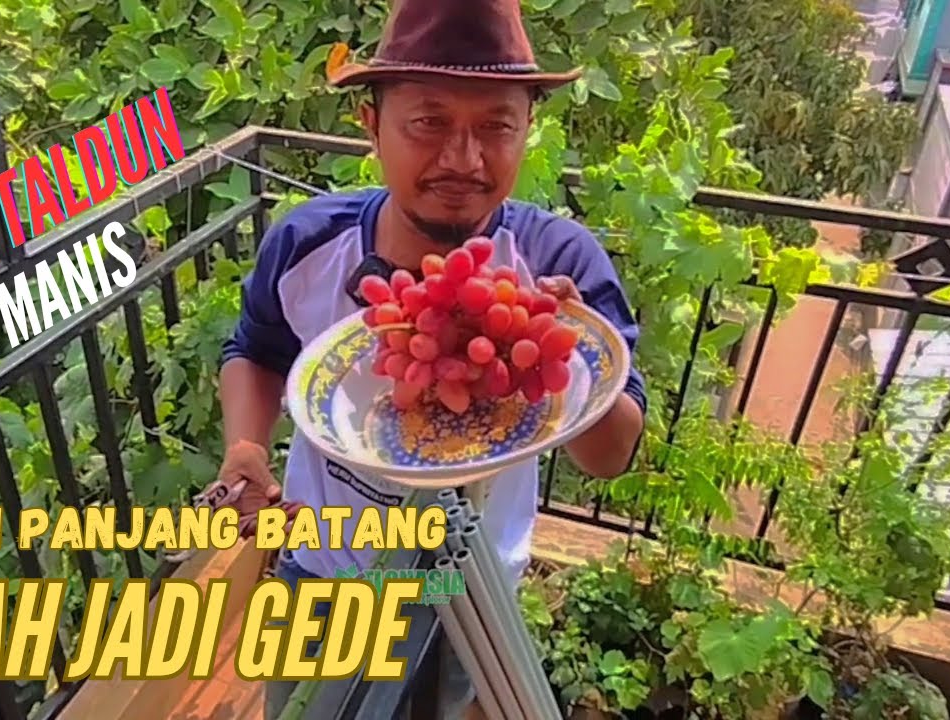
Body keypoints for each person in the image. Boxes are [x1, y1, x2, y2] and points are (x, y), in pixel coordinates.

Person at [210, 0, 647, 717]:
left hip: (465, 587)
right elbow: (255, 351)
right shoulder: (305, 248)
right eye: (430, 123)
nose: (463, 160)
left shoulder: (556, 265)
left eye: (496, 127)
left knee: (444, 704)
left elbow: (611, 455)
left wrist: (568, 354)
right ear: (371, 124)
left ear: (528, 129)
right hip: (322, 573)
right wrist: (247, 446)